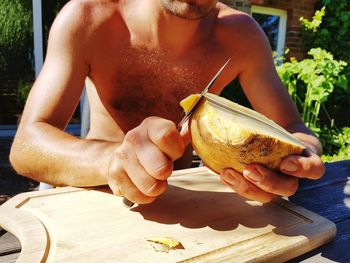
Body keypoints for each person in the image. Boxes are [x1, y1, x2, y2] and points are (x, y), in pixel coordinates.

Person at [10, 0, 325, 205]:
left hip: (195, 213)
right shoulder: (88, 17)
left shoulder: (242, 35)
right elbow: (27, 145)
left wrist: (297, 162)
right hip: (98, 205)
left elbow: (294, 130)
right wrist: (110, 161)